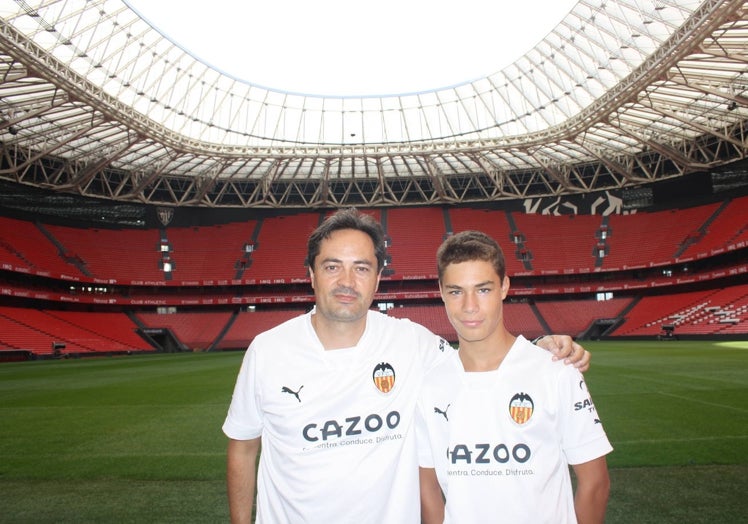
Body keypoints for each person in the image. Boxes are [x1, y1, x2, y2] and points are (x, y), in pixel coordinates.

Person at [223, 209, 591, 523]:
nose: (347, 282)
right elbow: (242, 447)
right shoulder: (268, 351)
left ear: (378, 278)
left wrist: (541, 348)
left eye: (362, 268)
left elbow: (483, 360)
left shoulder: (411, 343)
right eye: (333, 266)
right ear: (311, 273)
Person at [417, 231, 612, 524]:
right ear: (442, 292)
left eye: (483, 289)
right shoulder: (429, 384)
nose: (469, 306)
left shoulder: (556, 370)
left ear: (504, 286)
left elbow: (595, 484)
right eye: (456, 291)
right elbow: (427, 489)